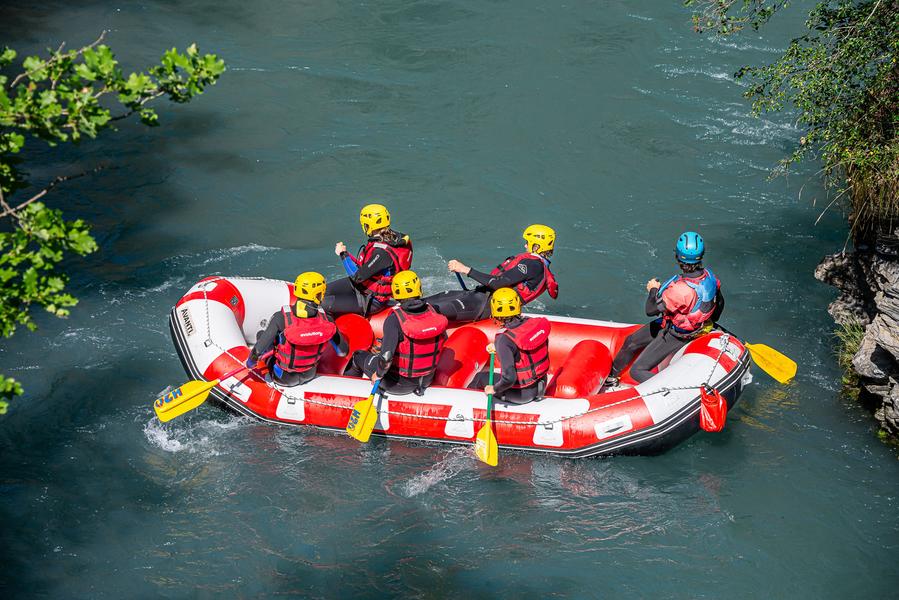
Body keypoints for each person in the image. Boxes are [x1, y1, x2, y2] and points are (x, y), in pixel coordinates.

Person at [606, 231, 725, 386]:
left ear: (678, 256)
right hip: (679, 324)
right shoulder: (710, 277)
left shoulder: (680, 291)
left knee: (637, 371)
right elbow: (719, 306)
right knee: (631, 342)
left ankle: (671, 389)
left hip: (678, 334)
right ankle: (611, 378)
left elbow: (650, 310)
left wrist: (653, 290)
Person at [423, 224, 559, 322]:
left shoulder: (533, 265)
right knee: (427, 301)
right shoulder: (536, 265)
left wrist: (465, 269)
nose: (525, 245)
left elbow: (499, 283)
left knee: (431, 309)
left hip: (482, 306)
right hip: (476, 296)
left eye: (527, 243)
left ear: (537, 246)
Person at [344, 270, 449, 395]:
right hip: (427, 380)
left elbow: (386, 357)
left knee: (358, 356)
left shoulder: (395, 319)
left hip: (398, 385)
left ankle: (347, 393)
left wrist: (378, 374)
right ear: (418, 288)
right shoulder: (433, 311)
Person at [249, 272, 348, 387]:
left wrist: (250, 364)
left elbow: (257, 352)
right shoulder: (328, 320)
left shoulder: (281, 318)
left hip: (283, 378)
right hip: (310, 374)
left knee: (261, 335)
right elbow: (342, 352)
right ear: (318, 295)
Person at [322, 203, 413, 317]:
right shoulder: (395, 239)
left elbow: (357, 277)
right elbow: (366, 268)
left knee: (325, 303)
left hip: (372, 300)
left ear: (368, 226)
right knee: (322, 291)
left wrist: (343, 254)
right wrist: (346, 254)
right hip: (364, 285)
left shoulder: (382, 253)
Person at [469, 287, 552, 404]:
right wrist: (499, 348)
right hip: (540, 386)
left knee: (480, 378)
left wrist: (494, 389)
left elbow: (509, 378)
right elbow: (522, 348)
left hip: (520, 394)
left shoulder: (504, 339)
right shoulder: (532, 323)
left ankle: (466, 406)